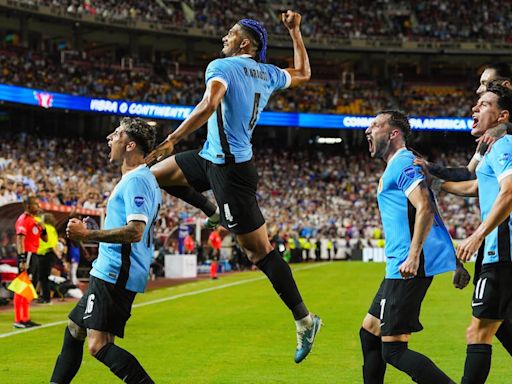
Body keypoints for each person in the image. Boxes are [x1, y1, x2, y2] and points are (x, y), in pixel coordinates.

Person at [147, 10, 321, 363]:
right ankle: (211, 211)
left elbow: (210, 104)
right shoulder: (269, 73)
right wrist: (296, 32)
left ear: (245, 43)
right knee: (151, 177)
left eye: (230, 33)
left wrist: (173, 138)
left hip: (232, 174)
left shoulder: (221, 67)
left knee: (260, 252)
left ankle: (305, 319)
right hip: (210, 157)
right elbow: (303, 73)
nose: (223, 38)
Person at [50, 117, 161, 384]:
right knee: (75, 328)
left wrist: (87, 235)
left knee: (98, 345)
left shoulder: (136, 181)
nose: (109, 138)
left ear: (130, 145)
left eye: (116, 135)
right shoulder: (137, 178)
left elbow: (135, 231)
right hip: (112, 269)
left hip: (115, 273)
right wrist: (95, 229)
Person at [361, 110, 456, 384]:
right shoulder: (398, 163)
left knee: (393, 350)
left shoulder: (403, 162)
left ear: (393, 133)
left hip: (408, 266)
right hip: (398, 265)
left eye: (376, 125)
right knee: (370, 333)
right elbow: (432, 210)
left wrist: (414, 256)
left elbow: (425, 207)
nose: (368, 130)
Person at [440, 85, 512, 384]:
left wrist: (476, 236)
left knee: (479, 332)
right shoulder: (495, 150)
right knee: (491, 329)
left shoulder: (505, 144)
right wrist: (436, 182)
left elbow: (509, 193)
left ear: (502, 115)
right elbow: (475, 187)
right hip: (500, 254)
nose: (475, 109)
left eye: (484, 104)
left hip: (503, 253)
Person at [13, 195, 47, 328]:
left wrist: (43, 228)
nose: (39, 207)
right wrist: (22, 258)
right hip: (26, 254)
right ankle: (18, 319)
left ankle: (25, 318)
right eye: (36, 205)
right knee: (21, 286)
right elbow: (20, 239)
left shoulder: (35, 221)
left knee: (28, 287)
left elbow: (44, 238)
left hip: (34, 255)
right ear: (28, 207)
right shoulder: (23, 220)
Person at [36, 213, 61, 304]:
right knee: (43, 277)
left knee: (43, 277)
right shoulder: (53, 228)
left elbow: (50, 243)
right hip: (50, 254)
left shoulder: (45, 228)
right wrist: (58, 255)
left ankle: (46, 298)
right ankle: (43, 296)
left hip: (45, 253)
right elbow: (55, 243)